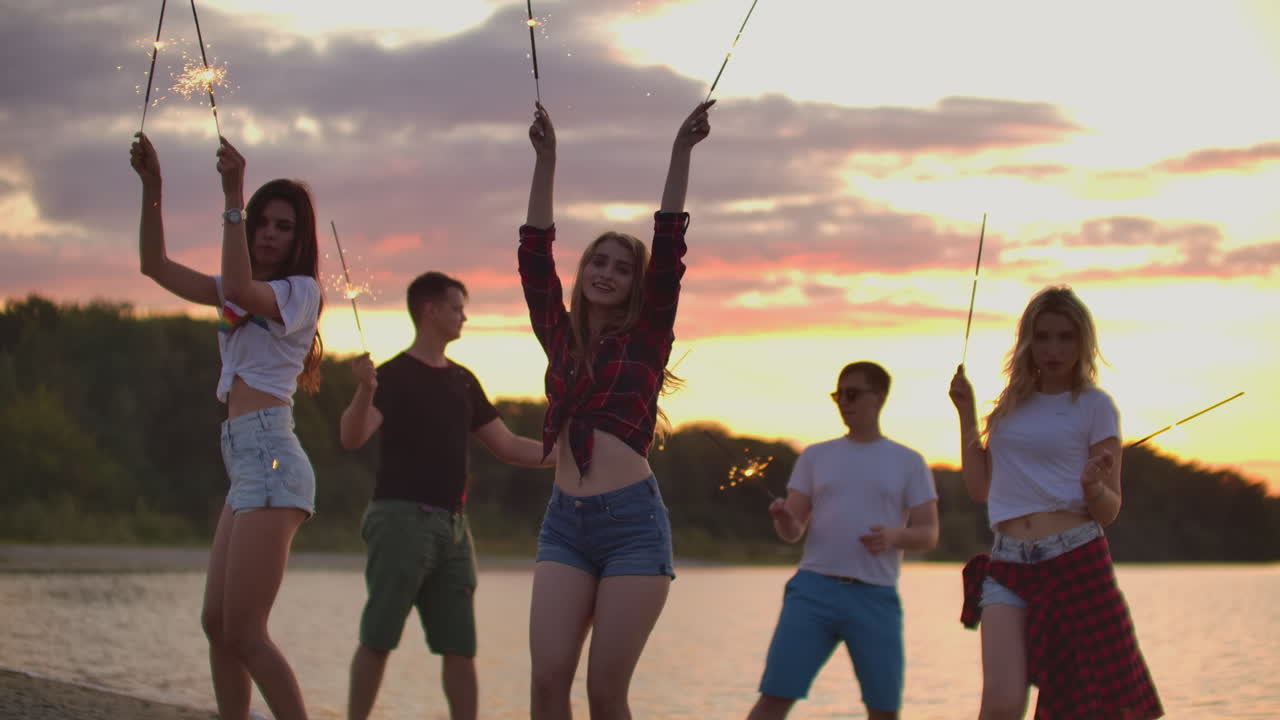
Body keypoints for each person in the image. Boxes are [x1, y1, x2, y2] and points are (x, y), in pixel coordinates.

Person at [518, 98, 713, 720]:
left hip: (632, 526)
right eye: (598, 262)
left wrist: (680, 153)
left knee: (606, 691)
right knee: (547, 679)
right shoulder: (558, 331)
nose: (606, 272)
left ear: (636, 283)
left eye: (621, 268)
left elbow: (670, 242)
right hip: (564, 523)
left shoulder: (649, 332)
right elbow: (533, 254)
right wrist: (546, 161)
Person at [131, 132, 323, 720]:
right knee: (217, 624)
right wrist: (154, 189)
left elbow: (239, 286)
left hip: (271, 457)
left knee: (245, 630)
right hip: (243, 461)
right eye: (261, 221)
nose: (267, 232)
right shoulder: (235, 298)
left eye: (281, 225)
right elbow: (153, 266)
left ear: (299, 238)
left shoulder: (299, 293)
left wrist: (234, 193)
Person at [338, 271, 552, 720]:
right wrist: (364, 389)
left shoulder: (464, 381)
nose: (464, 317)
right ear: (429, 310)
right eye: (457, 308)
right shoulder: (391, 376)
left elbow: (508, 445)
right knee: (378, 637)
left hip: (455, 529)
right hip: (399, 521)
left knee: (460, 647)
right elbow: (352, 437)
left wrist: (568, 455)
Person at [950, 286, 1162, 720]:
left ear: (1082, 343)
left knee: (1091, 708)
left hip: (1075, 561)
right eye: (1044, 336)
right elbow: (979, 488)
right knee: (1002, 704)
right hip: (1007, 563)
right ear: (1028, 341)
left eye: (1066, 337)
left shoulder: (1094, 407)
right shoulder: (1008, 407)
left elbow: (1110, 509)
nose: (1054, 348)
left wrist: (1092, 487)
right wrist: (966, 413)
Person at [746, 362, 939, 720]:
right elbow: (793, 532)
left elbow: (929, 533)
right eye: (838, 395)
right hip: (812, 592)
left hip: (875, 596)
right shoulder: (815, 456)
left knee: (884, 710)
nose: (843, 402)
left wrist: (895, 535)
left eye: (853, 394)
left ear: (879, 397)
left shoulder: (909, 462)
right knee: (773, 699)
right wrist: (785, 517)